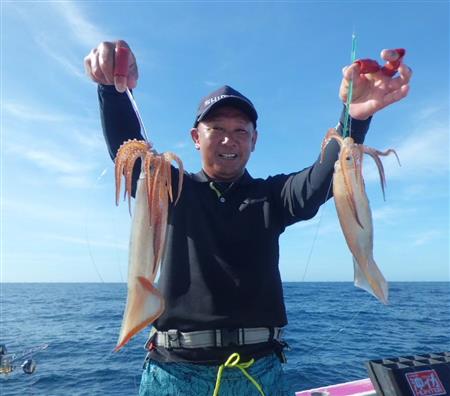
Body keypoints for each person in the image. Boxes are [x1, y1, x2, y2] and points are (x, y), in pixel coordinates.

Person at [84, 40, 411, 395]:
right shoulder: (169, 188)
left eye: (241, 131)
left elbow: (320, 179)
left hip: (260, 371)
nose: (229, 139)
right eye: (217, 129)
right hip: (174, 374)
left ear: (254, 140)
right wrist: (114, 90)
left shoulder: (271, 196)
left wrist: (355, 117)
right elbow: (132, 158)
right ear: (197, 137)